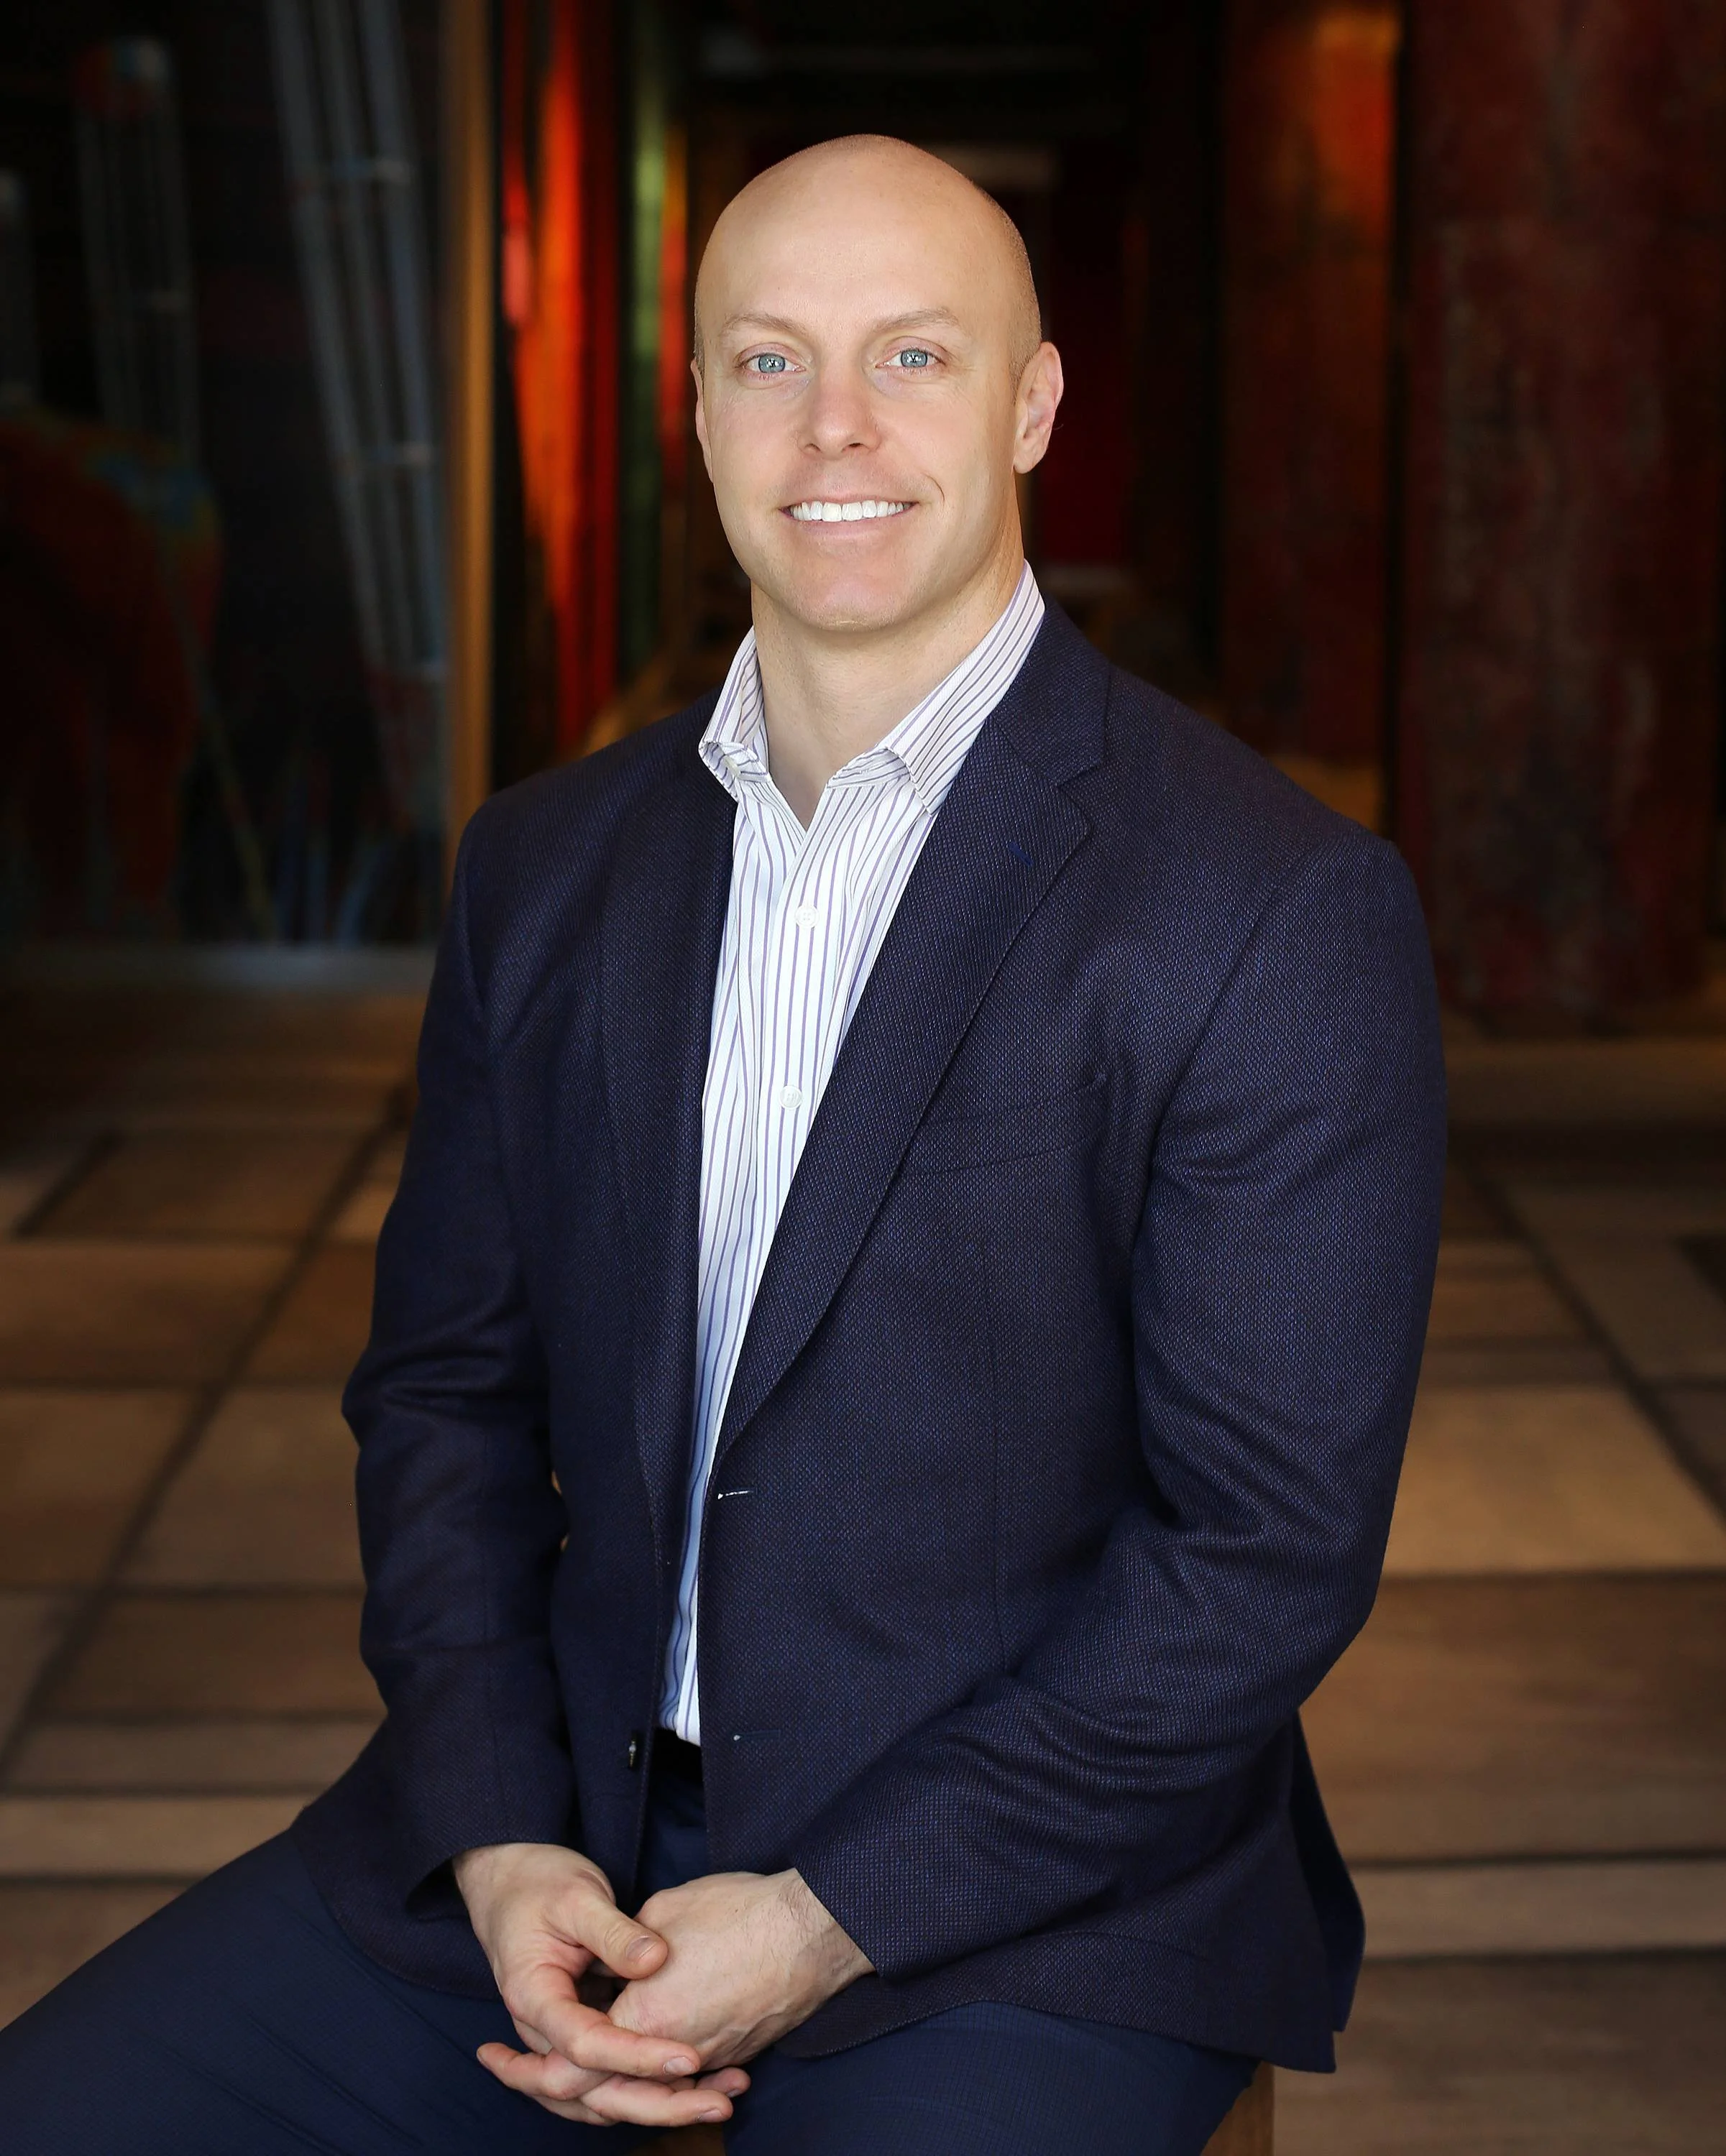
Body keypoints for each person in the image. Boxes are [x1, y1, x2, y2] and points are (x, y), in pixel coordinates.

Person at [0, 134, 1446, 2154]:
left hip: (1023, 1906)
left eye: (915, 358)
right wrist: (499, 1832)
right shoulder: (548, 866)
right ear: (694, 411)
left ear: (1033, 403)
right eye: (769, 362)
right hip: (555, 1824)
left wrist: (831, 1915)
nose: (835, 425)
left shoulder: (1270, 904)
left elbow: (1263, 1557)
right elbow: (446, 1395)